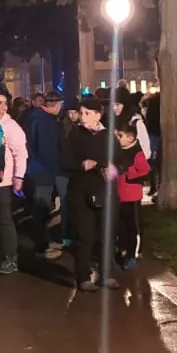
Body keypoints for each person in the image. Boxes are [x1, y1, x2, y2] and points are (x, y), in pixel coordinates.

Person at [63, 97, 118, 291]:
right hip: (81, 191)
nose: (82, 117)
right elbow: (65, 161)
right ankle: (83, 276)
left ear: (98, 115)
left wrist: (113, 169)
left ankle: (107, 274)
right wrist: (81, 164)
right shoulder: (74, 135)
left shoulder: (108, 136)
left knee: (106, 234)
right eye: (81, 112)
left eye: (87, 113)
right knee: (85, 235)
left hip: (105, 190)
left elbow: (118, 158)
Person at [0, 89, 27, 278]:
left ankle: (10, 258)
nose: (2, 107)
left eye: (4, 103)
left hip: (2, 183)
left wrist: (18, 178)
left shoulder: (11, 126)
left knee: (4, 222)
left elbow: (21, 154)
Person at [24, 92, 68, 260]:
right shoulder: (44, 121)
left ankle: (43, 243)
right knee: (41, 209)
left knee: (42, 208)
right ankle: (41, 247)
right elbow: (47, 149)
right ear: (57, 104)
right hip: (44, 172)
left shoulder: (37, 118)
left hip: (39, 170)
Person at [112, 122, 151, 271]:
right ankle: (122, 248)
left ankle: (132, 254)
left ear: (130, 138)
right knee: (120, 225)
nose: (117, 138)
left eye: (119, 136)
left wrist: (129, 175)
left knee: (132, 227)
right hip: (119, 195)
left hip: (132, 197)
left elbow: (145, 171)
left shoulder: (137, 153)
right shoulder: (118, 151)